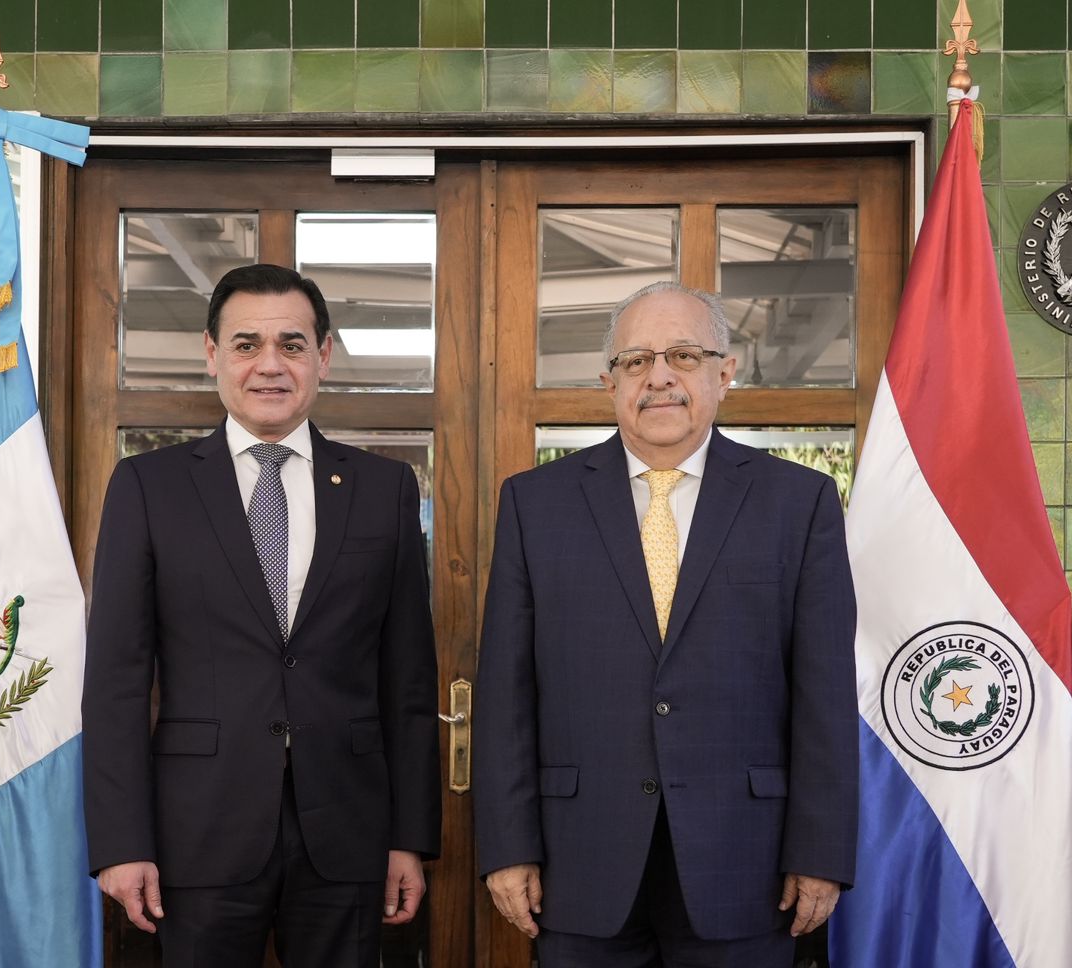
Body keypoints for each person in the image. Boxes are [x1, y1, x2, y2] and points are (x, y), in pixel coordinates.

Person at [473, 281, 858, 966]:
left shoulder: (798, 503)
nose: (659, 378)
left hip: (748, 863)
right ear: (609, 381)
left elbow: (824, 694)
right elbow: (506, 693)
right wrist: (507, 847)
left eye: (683, 355)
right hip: (578, 863)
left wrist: (820, 852)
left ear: (724, 372)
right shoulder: (535, 504)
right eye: (635, 361)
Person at [82, 264, 440, 968]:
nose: (270, 365)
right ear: (212, 353)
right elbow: (116, 682)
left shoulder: (384, 488)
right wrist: (122, 842)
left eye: (292, 344)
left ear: (323, 356)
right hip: (198, 831)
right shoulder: (149, 486)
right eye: (247, 344)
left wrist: (410, 836)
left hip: (350, 830)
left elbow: (408, 681)